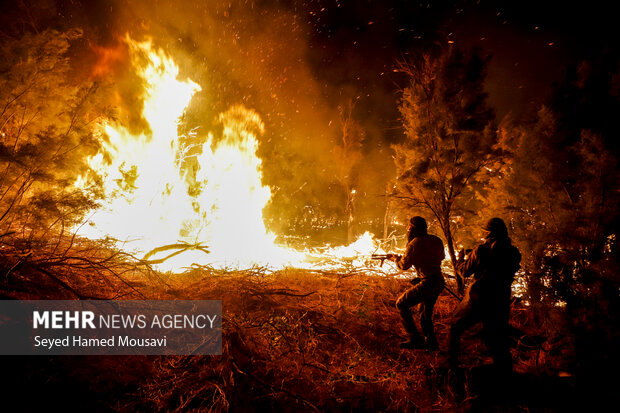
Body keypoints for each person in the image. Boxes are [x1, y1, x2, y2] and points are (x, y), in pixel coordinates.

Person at [448, 217, 521, 373]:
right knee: (498, 338)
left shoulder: (481, 250)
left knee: (455, 326)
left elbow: (464, 271)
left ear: (489, 233)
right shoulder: (513, 252)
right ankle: (504, 374)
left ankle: (451, 367)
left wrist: (461, 260)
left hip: (480, 298)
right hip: (501, 300)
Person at [388, 216, 445, 350]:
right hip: (438, 280)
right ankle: (431, 343)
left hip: (429, 282)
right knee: (425, 313)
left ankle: (414, 338)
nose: (407, 229)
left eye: (409, 227)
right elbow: (440, 258)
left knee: (401, 303)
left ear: (413, 228)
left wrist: (396, 259)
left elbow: (403, 266)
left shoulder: (414, 243)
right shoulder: (436, 240)